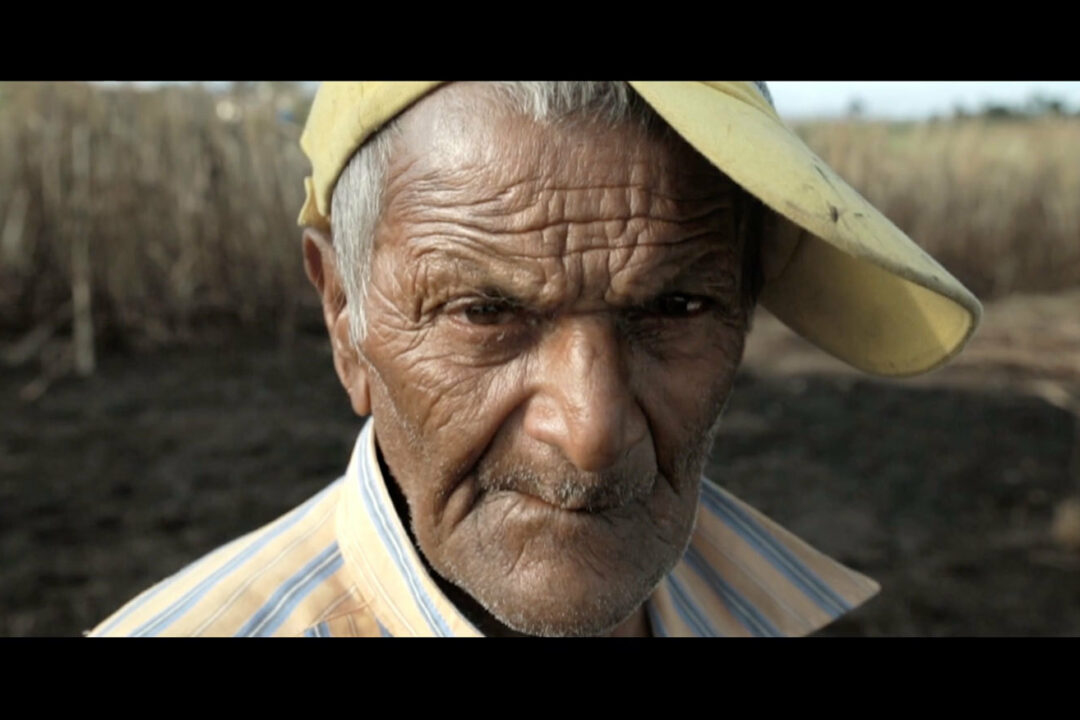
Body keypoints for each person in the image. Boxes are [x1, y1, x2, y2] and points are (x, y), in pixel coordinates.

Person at [88, 81, 981, 637]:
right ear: (342, 313)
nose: (590, 431)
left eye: (675, 307)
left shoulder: (812, 614)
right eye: (484, 312)